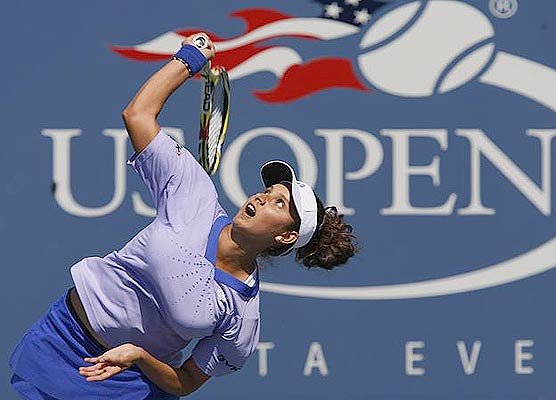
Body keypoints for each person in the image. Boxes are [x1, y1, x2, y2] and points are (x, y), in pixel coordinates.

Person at [9, 33, 357, 399]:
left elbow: (187, 381)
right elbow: (138, 114)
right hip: (61, 338)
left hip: (129, 383)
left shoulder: (242, 315)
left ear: (286, 237)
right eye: (268, 191)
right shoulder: (195, 196)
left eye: (279, 204)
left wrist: (140, 356)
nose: (262, 196)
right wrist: (189, 58)